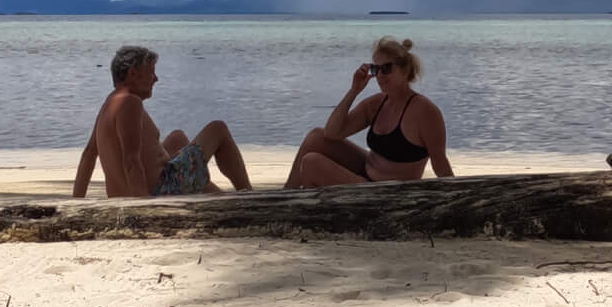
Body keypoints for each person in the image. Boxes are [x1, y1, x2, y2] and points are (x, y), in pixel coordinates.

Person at [72, 44, 254, 198]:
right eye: (151, 72)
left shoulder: (110, 103)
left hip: (131, 194)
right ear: (133, 73)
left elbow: (88, 155)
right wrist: (144, 208)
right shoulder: (130, 102)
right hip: (157, 192)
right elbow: (131, 161)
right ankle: (248, 194)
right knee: (218, 128)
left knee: (177, 138)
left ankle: (219, 198)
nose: (156, 79)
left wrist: (76, 202)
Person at [283, 36, 452, 187]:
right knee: (316, 137)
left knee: (312, 164)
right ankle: (284, 197)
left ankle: (300, 210)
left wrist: (457, 196)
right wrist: (354, 90)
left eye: (386, 68)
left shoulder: (425, 112)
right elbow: (332, 132)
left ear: (405, 70)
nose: (380, 76)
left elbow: (440, 164)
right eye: (375, 69)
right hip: (366, 172)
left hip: (389, 191)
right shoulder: (376, 104)